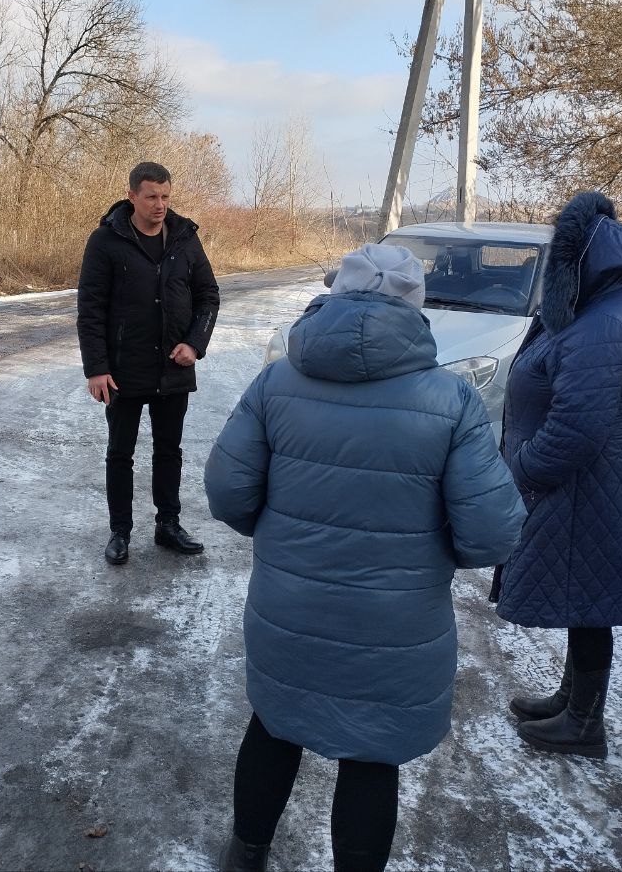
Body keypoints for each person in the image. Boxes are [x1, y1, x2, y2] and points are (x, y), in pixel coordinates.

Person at [204, 244, 526, 872]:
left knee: (275, 726)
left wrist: (280, 538)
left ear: (336, 295)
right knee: (371, 756)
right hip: (394, 622)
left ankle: (246, 856)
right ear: (415, 306)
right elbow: (491, 532)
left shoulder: (277, 382)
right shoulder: (450, 401)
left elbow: (226, 492)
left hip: (289, 607)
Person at [494, 191, 622, 759]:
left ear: (582, 262)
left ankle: (584, 723)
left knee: (591, 600)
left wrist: (524, 470)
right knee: (585, 597)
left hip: (587, 486)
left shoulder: (604, 324)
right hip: (599, 485)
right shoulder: (613, 305)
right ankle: (573, 701)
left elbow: (577, 427)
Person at [77, 161, 220, 566]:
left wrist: (195, 344)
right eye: (152, 196)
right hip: (122, 370)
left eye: (165, 196)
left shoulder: (186, 239)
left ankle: (168, 524)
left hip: (173, 369)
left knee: (168, 450)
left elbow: (208, 296)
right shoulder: (106, 242)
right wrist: (96, 368)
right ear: (133, 197)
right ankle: (119, 532)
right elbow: (90, 310)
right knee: (120, 453)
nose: (160, 205)